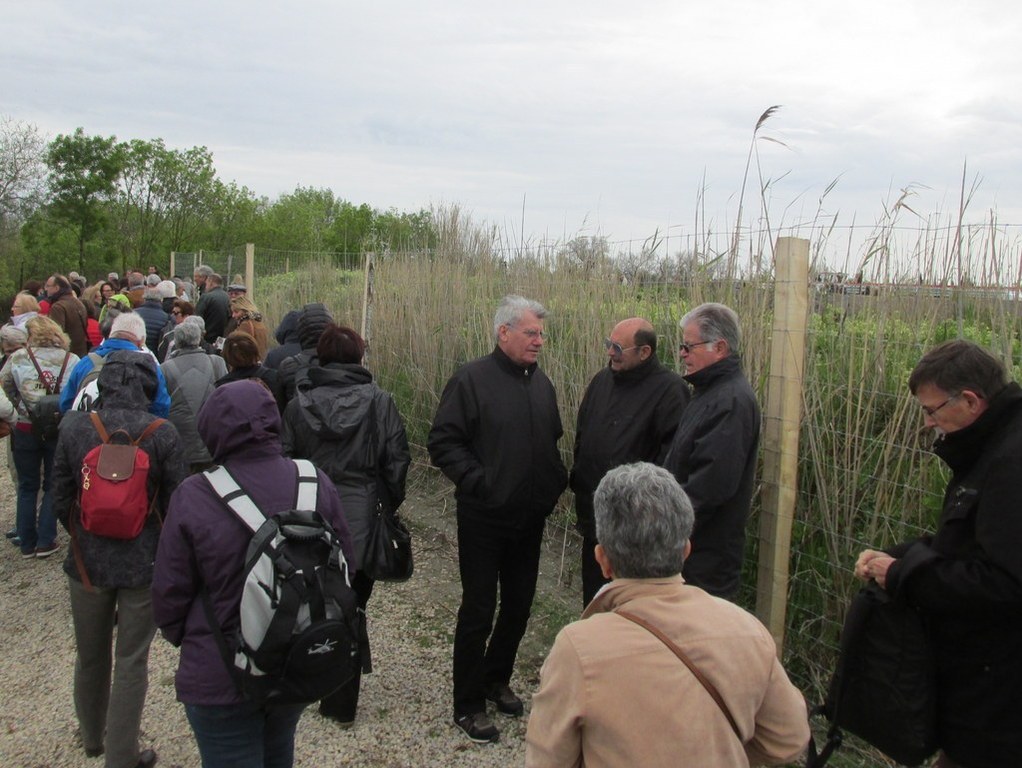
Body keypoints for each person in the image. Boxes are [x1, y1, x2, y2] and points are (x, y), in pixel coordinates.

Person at [526, 462, 809, 768]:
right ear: (686, 551)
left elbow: (547, 760)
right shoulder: (746, 629)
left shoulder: (578, 648)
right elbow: (788, 740)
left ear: (603, 561)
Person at [152, 380, 353, 768]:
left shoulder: (194, 494)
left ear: (211, 431)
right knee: (279, 749)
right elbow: (346, 562)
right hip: (292, 660)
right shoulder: (313, 481)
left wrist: (188, 638)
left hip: (219, 674)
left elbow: (169, 594)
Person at [854, 340, 1022, 767]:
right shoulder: (990, 446)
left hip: (999, 702)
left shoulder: (1010, 462)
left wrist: (903, 575)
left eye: (932, 411)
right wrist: (896, 557)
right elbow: (965, 541)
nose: (928, 423)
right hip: (982, 693)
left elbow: (1003, 582)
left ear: (970, 400)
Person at [428, 295, 568, 743]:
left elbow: (550, 439)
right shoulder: (471, 380)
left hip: (530, 519)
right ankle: (467, 704)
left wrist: (552, 484)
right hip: (485, 519)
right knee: (479, 609)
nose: (539, 341)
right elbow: (443, 441)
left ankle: (495, 677)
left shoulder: (541, 384)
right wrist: (480, 483)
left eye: (542, 334)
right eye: (531, 332)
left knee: (520, 604)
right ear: (503, 332)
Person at [52, 351, 184, 768]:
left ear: (103, 384)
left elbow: (58, 495)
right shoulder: (163, 433)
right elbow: (177, 502)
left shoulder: (74, 427)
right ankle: (122, 755)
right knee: (132, 659)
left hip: (86, 563)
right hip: (143, 563)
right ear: (150, 385)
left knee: (89, 654)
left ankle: (92, 736)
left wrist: (81, 533)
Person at [281, 323, 410, 728]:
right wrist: (386, 503)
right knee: (354, 603)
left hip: (311, 512)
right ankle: (339, 696)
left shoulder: (298, 405)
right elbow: (396, 461)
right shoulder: (379, 401)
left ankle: (314, 675)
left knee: (317, 597)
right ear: (358, 357)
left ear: (320, 356)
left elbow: (285, 461)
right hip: (362, 513)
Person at [571, 317, 689, 605]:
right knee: (596, 598)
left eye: (618, 348)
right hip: (595, 517)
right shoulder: (602, 380)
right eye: (608, 344)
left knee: (632, 604)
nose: (610, 352)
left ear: (644, 352)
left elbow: (670, 460)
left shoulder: (670, 391)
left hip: (637, 529)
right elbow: (583, 432)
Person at [662, 303, 760, 600]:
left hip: (704, 559)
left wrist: (664, 531)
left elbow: (709, 488)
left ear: (719, 347)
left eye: (688, 346)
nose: (682, 353)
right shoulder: (708, 392)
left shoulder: (730, 402)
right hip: (691, 550)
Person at [0, 316, 79, 558]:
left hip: (25, 426)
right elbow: (75, 393)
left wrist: (18, 410)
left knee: (27, 486)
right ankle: (46, 539)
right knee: (54, 482)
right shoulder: (72, 360)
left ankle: (26, 541)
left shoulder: (18, 358)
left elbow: (5, 385)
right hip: (57, 426)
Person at [59, 312, 171, 417]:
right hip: (133, 432)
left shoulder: (85, 363)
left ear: (111, 334)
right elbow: (161, 407)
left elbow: (66, 404)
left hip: (90, 430)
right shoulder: (149, 367)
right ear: (141, 341)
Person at [162, 321, 228, 473]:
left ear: (176, 341)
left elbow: (161, 404)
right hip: (212, 439)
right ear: (199, 339)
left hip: (179, 441)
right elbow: (226, 398)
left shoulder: (165, 368)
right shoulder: (217, 362)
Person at [275, 303, 333, 409]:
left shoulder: (287, 366)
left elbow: (280, 408)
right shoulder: (341, 363)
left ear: (301, 331)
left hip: (297, 423)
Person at [43, 274, 89, 357]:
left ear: (56, 288)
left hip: (66, 356)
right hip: (81, 353)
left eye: (48, 286)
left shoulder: (58, 307)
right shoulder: (78, 303)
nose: (46, 289)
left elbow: (56, 336)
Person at [228, 295, 270, 360]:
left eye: (236, 312)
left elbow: (238, 345)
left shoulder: (245, 325)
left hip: (248, 363)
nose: (233, 315)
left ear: (245, 311)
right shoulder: (259, 323)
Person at [195, 273, 231, 345]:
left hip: (207, 339)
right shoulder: (227, 297)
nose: (206, 287)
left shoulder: (206, 297)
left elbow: (197, 318)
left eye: (206, 283)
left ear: (211, 282)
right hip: (222, 340)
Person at [135, 282, 170, 355]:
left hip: (137, 352)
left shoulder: (134, 313)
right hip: (155, 354)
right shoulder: (166, 317)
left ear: (144, 298)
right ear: (161, 300)